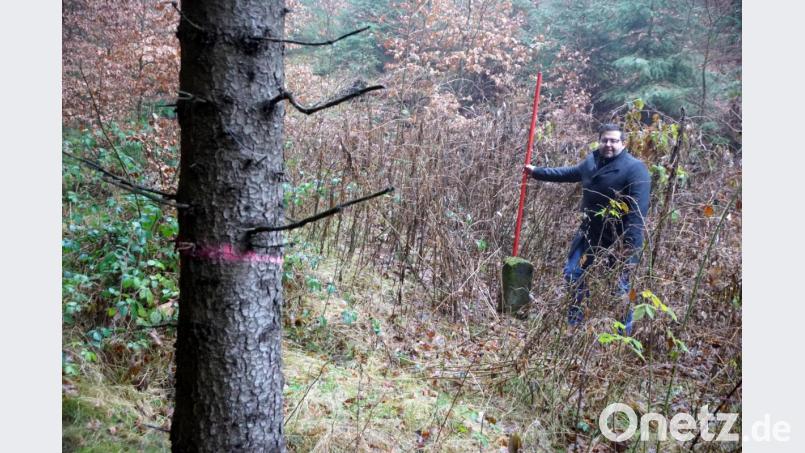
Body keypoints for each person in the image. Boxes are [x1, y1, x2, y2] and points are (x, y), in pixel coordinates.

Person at [524, 124, 650, 335]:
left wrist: (629, 250)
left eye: (613, 141)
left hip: (619, 242)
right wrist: (537, 172)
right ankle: (574, 324)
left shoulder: (635, 169)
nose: (608, 145)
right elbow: (568, 173)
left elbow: (638, 213)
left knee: (619, 290)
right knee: (573, 275)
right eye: (605, 140)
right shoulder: (592, 162)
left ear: (623, 143)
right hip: (589, 235)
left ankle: (623, 339)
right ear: (599, 141)